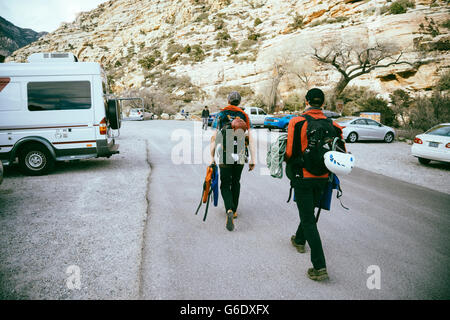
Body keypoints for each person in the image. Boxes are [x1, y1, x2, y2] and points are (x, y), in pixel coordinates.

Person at [285, 88, 346, 281]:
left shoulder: (298, 121)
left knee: (308, 219)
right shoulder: (334, 125)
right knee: (309, 211)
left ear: (306, 101)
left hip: (303, 176)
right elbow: (341, 152)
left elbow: (290, 153)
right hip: (323, 177)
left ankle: (319, 267)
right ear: (323, 103)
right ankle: (299, 240)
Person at [210, 91, 256, 231]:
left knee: (225, 184)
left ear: (228, 100)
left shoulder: (221, 115)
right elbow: (251, 138)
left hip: (225, 153)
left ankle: (229, 209)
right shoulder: (244, 116)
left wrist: (211, 157)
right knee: (236, 182)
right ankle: (235, 210)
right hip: (241, 152)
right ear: (240, 102)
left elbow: (214, 138)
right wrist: (253, 158)